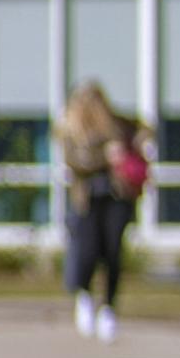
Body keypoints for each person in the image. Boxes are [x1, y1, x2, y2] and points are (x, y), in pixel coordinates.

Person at [52, 80, 145, 341]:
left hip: (115, 197)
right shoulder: (71, 131)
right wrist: (106, 156)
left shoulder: (116, 126)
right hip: (88, 200)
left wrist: (132, 147)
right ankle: (84, 296)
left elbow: (145, 129)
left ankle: (108, 308)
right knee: (88, 251)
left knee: (112, 252)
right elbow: (76, 163)